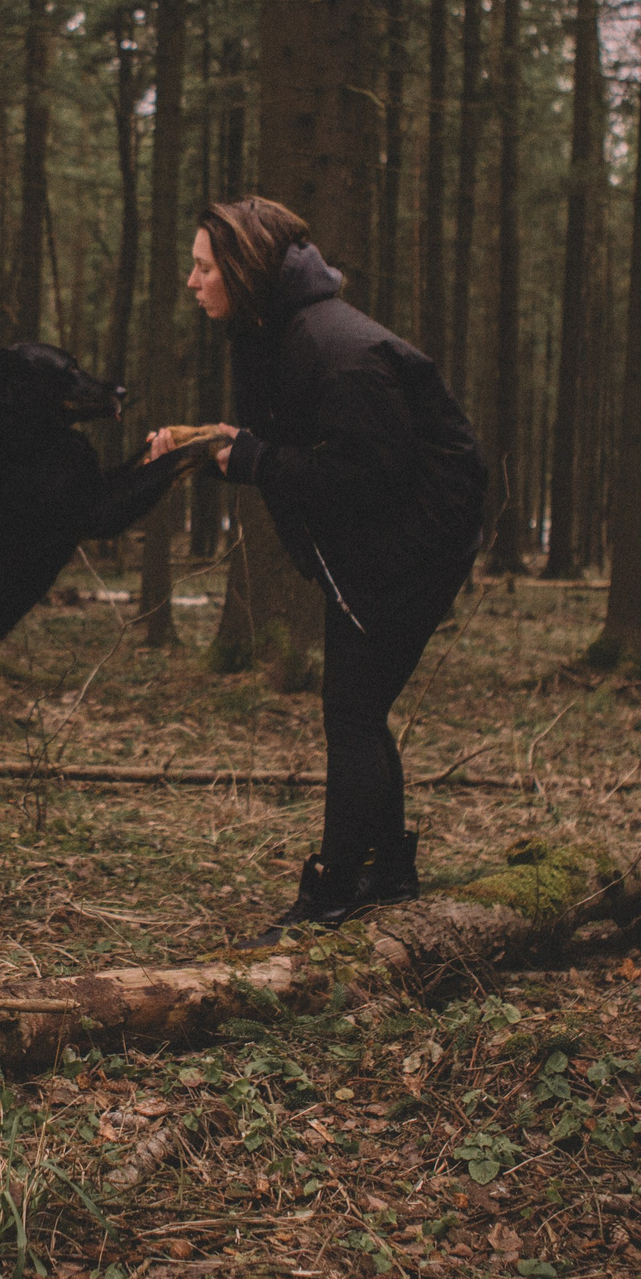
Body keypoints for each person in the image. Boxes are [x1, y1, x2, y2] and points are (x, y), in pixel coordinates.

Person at [149, 196, 488, 938]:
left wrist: (258, 457)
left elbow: (368, 472)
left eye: (203, 267)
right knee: (357, 708)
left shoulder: (334, 347)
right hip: (384, 539)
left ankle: (335, 892)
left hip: (415, 543)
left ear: (240, 269)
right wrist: (206, 447)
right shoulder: (271, 334)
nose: (191, 280)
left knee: (353, 710)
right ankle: (388, 872)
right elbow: (280, 442)